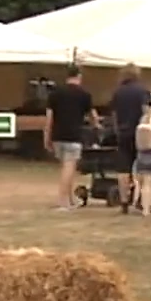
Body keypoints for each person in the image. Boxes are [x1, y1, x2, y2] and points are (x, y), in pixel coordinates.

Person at [43, 69, 95, 209]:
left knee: (66, 168)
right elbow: (92, 115)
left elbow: (49, 119)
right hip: (74, 136)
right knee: (69, 168)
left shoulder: (55, 94)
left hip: (58, 136)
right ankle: (63, 202)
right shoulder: (84, 95)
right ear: (79, 77)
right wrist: (97, 125)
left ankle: (70, 199)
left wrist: (46, 137)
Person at [110, 67, 151, 214]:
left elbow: (114, 115)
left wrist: (117, 130)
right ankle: (140, 199)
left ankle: (124, 202)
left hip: (123, 133)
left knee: (123, 168)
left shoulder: (118, 92)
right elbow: (146, 112)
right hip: (139, 133)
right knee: (141, 167)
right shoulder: (143, 91)